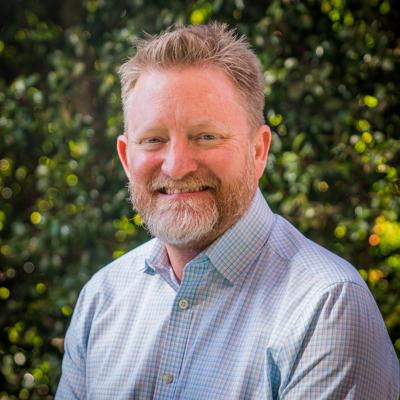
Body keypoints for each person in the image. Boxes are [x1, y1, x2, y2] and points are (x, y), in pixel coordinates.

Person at [56, 23, 399, 399]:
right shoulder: (102, 298)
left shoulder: (326, 307)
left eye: (206, 137)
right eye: (153, 139)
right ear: (126, 158)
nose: (176, 167)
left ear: (258, 150)